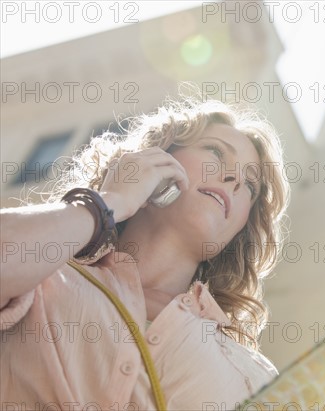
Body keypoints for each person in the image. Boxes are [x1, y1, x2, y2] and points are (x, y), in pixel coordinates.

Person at [0, 94, 290, 410]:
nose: (235, 180)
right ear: (157, 158)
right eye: (216, 152)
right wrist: (110, 200)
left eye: (250, 185)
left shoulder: (255, 375)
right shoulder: (47, 273)